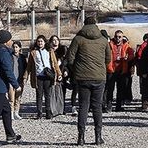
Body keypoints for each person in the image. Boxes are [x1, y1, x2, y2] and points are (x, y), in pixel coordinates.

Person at [67, 16, 111, 146]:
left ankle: (81, 137)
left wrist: (76, 69)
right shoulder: (103, 40)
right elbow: (108, 59)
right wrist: (100, 67)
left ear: (84, 24)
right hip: (99, 77)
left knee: (83, 107)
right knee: (97, 107)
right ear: (96, 25)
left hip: (82, 77)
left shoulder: (78, 39)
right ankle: (98, 137)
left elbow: (70, 58)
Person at [25, 35, 61, 119]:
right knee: (39, 95)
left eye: (41, 41)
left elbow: (55, 63)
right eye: (38, 41)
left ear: (45, 42)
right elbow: (29, 66)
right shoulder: (33, 52)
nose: (40, 43)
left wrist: (59, 74)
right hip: (38, 76)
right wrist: (25, 77)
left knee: (48, 94)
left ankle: (48, 112)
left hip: (48, 76)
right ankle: (39, 112)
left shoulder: (49, 51)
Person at [105, 30, 132, 112]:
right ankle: (109, 106)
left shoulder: (126, 45)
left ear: (122, 37)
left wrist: (128, 58)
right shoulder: (109, 45)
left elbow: (132, 54)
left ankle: (118, 106)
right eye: (116, 36)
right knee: (110, 90)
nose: (118, 39)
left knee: (120, 90)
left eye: (120, 37)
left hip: (121, 70)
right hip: (111, 69)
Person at [49, 35, 67, 116]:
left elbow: (67, 63)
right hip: (52, 74)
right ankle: (53, 109)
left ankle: (61, 108)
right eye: (53, 40)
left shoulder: (63, 51)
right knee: (52, 92)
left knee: (62, 92)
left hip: (62, 73)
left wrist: (66, 71)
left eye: (56, 40)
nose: (55, 41)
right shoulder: (49, 52)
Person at [10, 40, 27, 120]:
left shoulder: (22, 58)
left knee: (18, 97)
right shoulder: (10, 56)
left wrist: (24, 78)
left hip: (19, 80)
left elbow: (26, 68)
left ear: (20, 48)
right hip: (11, 80)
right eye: (14, 47)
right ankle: (11, 113)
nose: (15, 49)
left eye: (16, 47)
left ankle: (16, 112)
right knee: (11, 98)